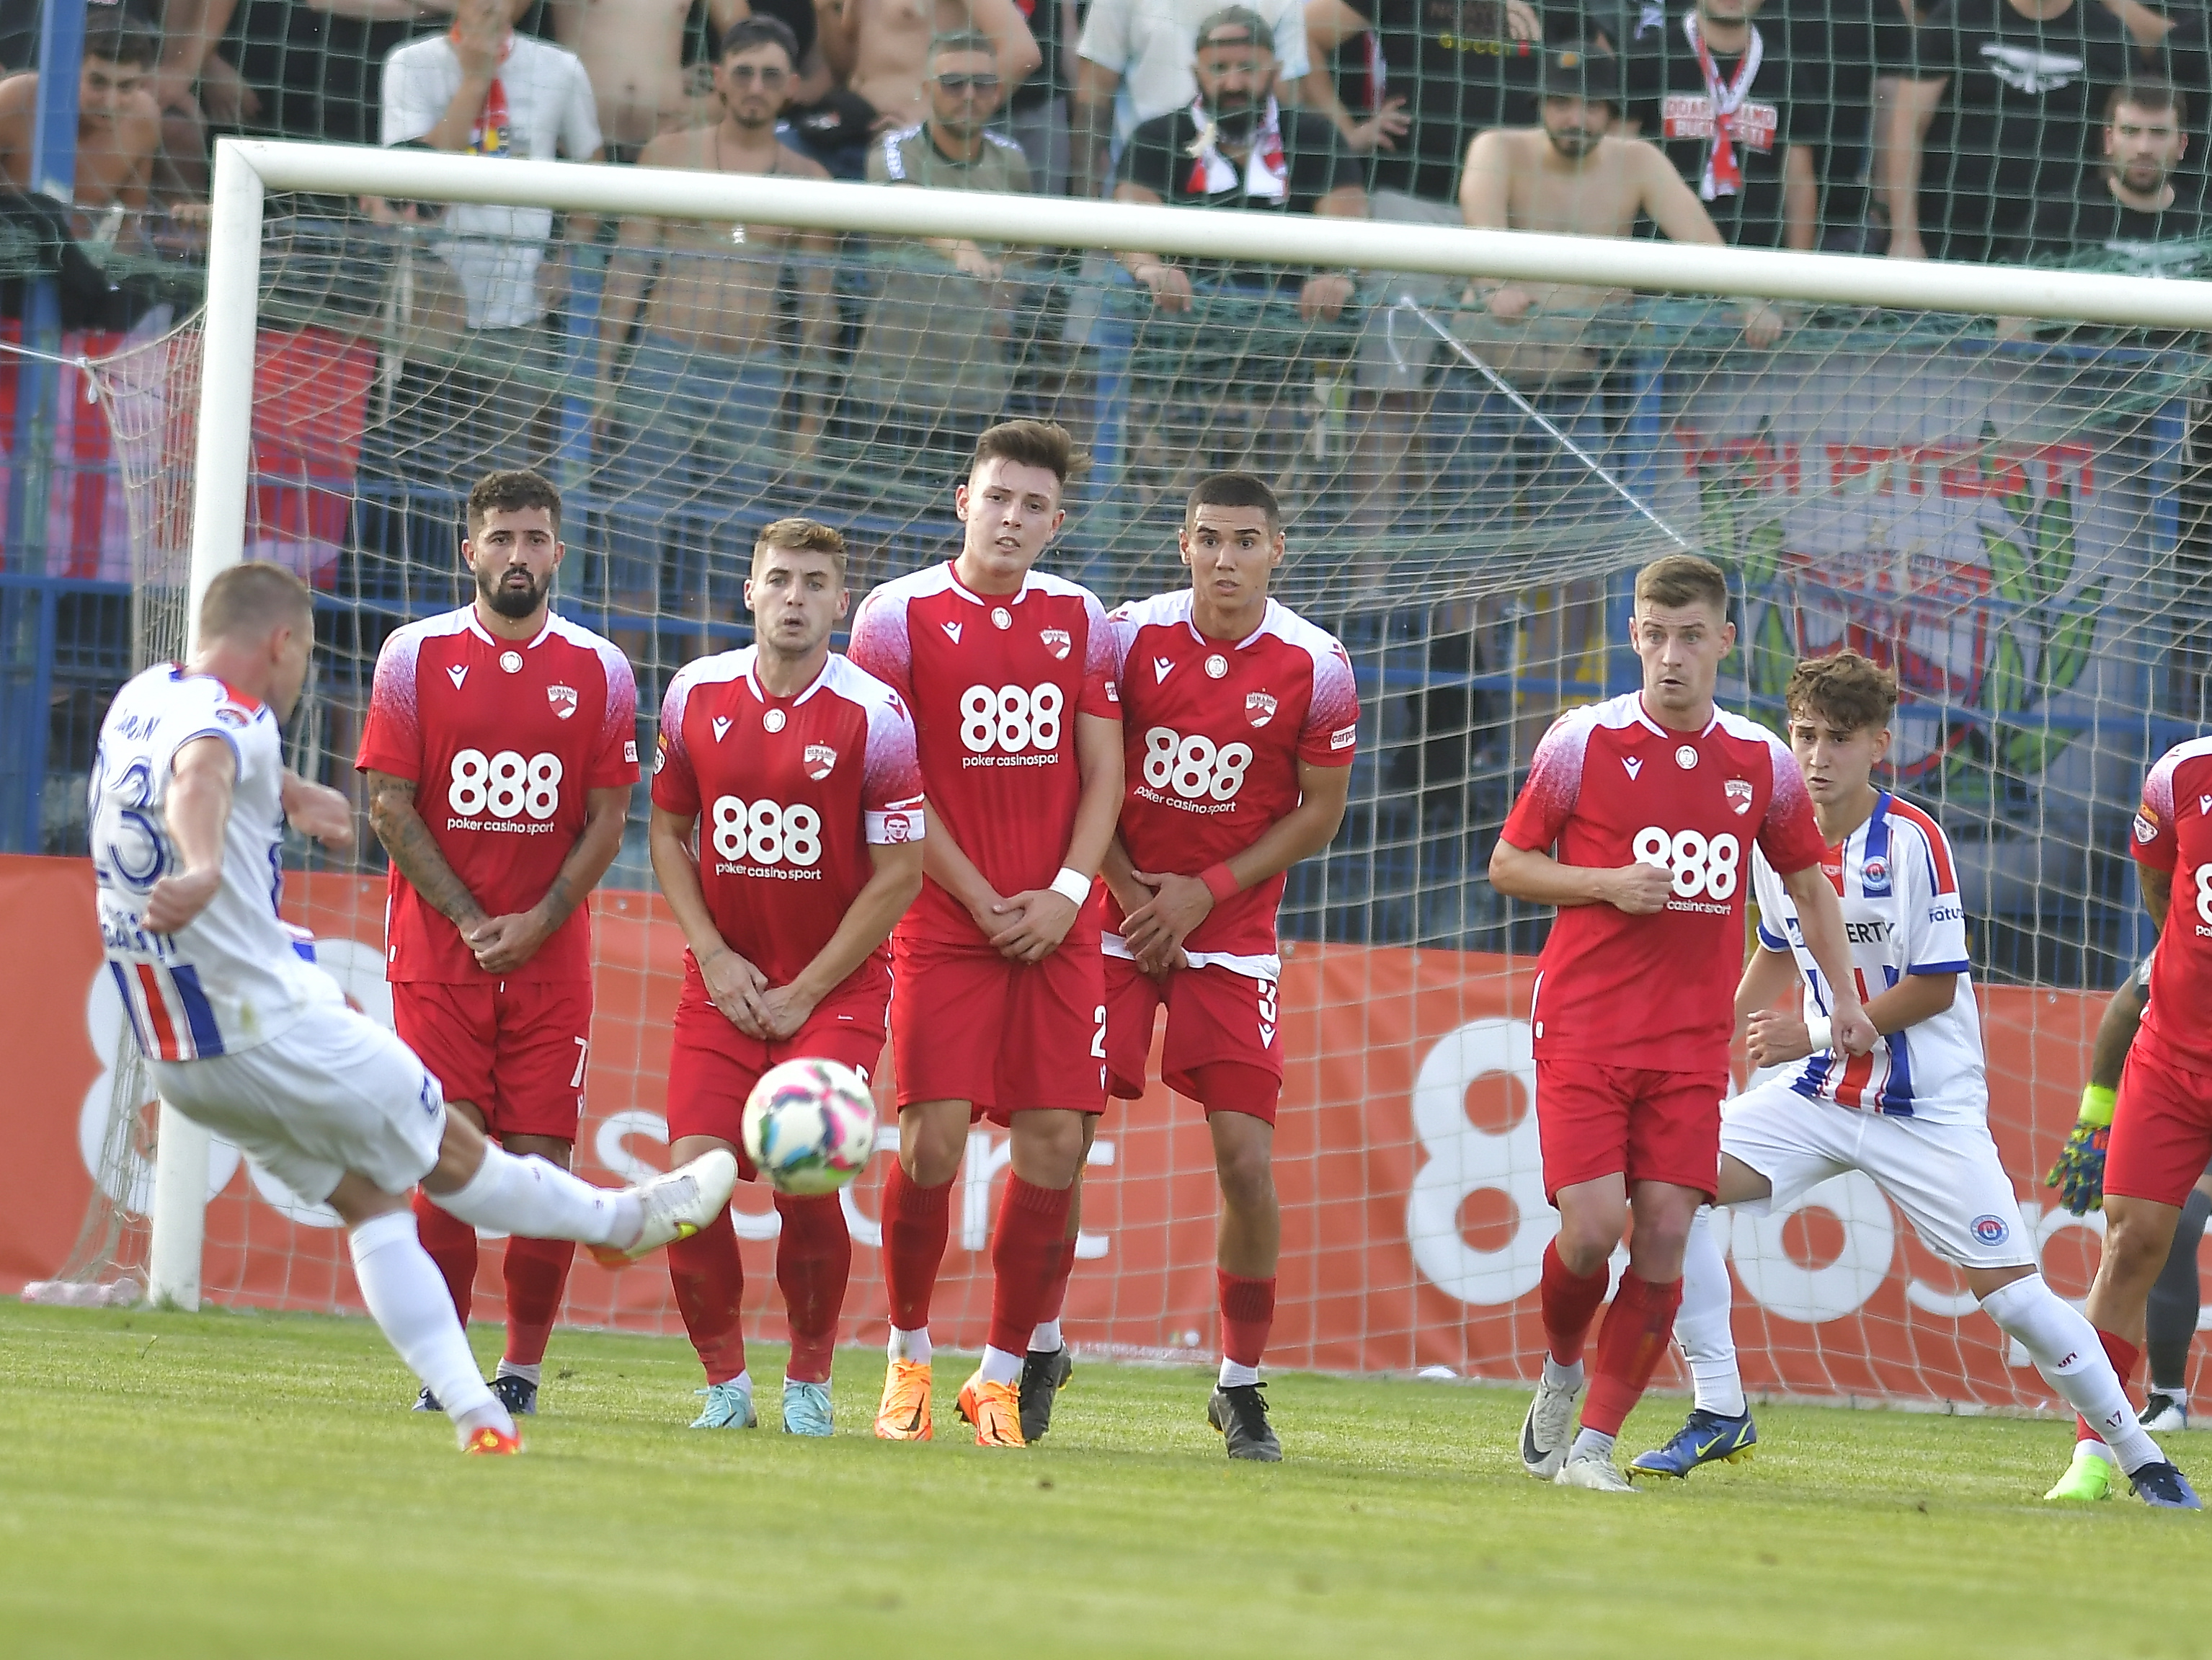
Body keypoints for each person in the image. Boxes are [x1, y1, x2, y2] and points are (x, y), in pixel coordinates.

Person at [91, 562, 735, 1455]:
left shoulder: (143, 699)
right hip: (271, 1027)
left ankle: (475, 1409)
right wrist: (202, 866)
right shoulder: (224, 725)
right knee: (460, 1162)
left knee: (372, 1203)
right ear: (280, 644)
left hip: (184, 1058)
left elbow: (196, 759)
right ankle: (624, 1222)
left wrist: (288, 793)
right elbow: (199, 776)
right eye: (305, 655)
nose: (302, 674)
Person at [1627, 652, 2198, 1506]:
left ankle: (2142, 1453)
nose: (1818, 756)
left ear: (1879, 747)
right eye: (1805, 735)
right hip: (1818, 1094)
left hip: (1927, 1107)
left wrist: (1809, 1030)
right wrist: (1710, 1031)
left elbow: (1933, 985)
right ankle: (1720, 1406)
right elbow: (1779, 949)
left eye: (1840, 739)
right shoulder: (1773, 837)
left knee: (2015, 1301)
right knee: (1665, 1186)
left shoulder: (1912, 839)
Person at [1487, 553, 1875, 1493]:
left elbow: (1808, 883)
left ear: (1723, 642)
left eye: (1691, 636)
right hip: (1583, 1026)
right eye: (1655, 636)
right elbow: (1508, 862)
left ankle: (1592, 1445)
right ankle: (1561, 1366)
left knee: (1663, 1233)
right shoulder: (1579, 743)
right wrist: (1604, 883)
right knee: (1589, 1230)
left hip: (1691, 1043)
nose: (1672, 656)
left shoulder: (1763, 763)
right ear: (1633, 636)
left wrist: (1845, 995)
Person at [845, 419, 1124, 1450]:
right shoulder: (894, 615)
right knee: (931, 1140)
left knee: (1054, 1144)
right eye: (996, 496)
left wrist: (1061, 890)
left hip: (1059, 922)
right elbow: (893, 780)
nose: (1012, 517)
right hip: (942, 917)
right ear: (962, 500)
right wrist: (976, 895)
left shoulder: (1081, 618)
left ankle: (999, 1374)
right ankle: (908, 1355)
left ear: (1058, 520)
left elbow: (1106, 771)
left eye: (1033, 504)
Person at [355, 469, 641, 1419]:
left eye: (535, 538)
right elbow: (388, 806)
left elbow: (608, 818)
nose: (518, 554)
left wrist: (540, 918)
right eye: (501, 538)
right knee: (449, 1159)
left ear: (559, 551)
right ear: (468, 550)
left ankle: (519, 1366)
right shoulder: (412, 655)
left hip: (552, 961)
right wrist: (476, 920)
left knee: (542, 1164)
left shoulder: (601, 667)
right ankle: (448, 1368)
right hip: (437, 958)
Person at [1096, 471, 1359, 1460]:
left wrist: (1205, 887)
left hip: (1229, 931)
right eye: (1209, 538)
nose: (1226, 558)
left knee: (1247, 1161)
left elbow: (1320, 811)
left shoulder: (1317, 662)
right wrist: (1130, 890)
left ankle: (1238, 1383)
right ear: (1182, 543)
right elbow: (1088, 774)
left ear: (1277, 551)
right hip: (1114, 914)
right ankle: (1033, 1347)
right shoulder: (1124, 634)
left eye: (1246, 541)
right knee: (1058, 1128)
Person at [647, 518, 925, 1437]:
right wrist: (716, 954)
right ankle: (726, 1383)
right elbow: (666, 832)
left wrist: (807, 988)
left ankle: (810, 1378)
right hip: (721, 987)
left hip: (833, 992)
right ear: (750, 591)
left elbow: (900, 872)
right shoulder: (693, 693)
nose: (795, 597)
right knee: (689, 1189)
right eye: (780, 580)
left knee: (807, 1180)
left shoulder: (877, 717)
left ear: (841, 602)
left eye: (815, 583)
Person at [595, 16, 835, 653]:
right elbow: (627, 273)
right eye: (746, 72)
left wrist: (808, 417)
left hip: (754, 376)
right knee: (637, 545)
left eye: (771, 76)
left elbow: (817, 307)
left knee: (729, 556)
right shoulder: (669, 154)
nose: (757, 86)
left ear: (789, 87)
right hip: (662, 363)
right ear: (723, 79)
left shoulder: (810, 183)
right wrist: (599, 383)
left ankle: (704, 732)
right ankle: (625, 719)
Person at [2033, 732, 2212, 1501]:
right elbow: (2156, 883)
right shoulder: (2179, 773)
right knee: (2132, 1242)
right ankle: (2095, 1456)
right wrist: (2094, 1111)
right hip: (2171, 1059)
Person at [379, 0, 604, 478]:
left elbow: (593, 170)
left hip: (520, 313)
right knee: (424, 474)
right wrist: (476, 78)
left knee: (511, 479)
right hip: (432, 307)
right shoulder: (410, 63)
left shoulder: (559, 68)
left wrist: (566, 257)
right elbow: (409, 186)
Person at [1459, 45, 1782, 345]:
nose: (1576, 120)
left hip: (1589, 383)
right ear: (1540, 105)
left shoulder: (1639, 161)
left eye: (1592, 106)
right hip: (1487, 377)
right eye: (1561, 103)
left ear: (1611, 114)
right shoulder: (1497, 150)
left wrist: (1749, 304)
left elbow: (1704, 243)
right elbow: (1482, 235)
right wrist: (1495, 287)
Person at [849, 32, 1037, 481]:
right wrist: (966, 252)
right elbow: (906, 201)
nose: (969, 95)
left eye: (982, 83)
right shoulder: (896, 149)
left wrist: (1006, 299)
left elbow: (1027, 246)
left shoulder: (1011, 160)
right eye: (953, 83)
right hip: (891, 388)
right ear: (927, 88)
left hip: (978, 393)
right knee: (874, 534)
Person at [1112, 7, 1367, 323]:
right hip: (1180, 324)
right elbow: (1128, 232)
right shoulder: (1155, 137)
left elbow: (1351, 233)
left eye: (1248, 68)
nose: (1233, 83)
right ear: (1196, 73)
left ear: (1275, 71)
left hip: (1295, 329)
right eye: (1219, 68)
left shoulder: (1316, 137)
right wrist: (1149, 267)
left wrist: (1338, 276)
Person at [2048, 952, 2212, 1437]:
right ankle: (2166, 1399)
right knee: (2174, 1227)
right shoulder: (2189, 944)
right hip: (2189, 1093)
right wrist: (2095, 1115)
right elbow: (2124, 1007)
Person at [1885, 0, 2154, 265]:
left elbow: (2117, 146)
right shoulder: (1958, 15)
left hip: (2059, 247)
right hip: (1948, 238)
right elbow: (1907, 126)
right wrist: (1904, 236)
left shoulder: (2108, 34)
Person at [1073, 0, 1322, 197]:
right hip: (1148, 179)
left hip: (1260, 191)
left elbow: (1287, 96)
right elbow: (1094, 89)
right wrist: (1084, 194)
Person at [1622, 0, 1817, 251]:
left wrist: (1797, 278)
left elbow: (1799, 183)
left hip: (1755, 268)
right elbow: (1617, 165)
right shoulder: (1646, 57)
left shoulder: (1789, 73)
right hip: (1656, 264)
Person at [2008, 77, 2203, 270]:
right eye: (2130, 131)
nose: (2144, 148)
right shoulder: (2057, 220)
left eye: (2159, 133)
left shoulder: (2205, 224)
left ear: (2181, 145)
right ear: (2108, 140)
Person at [0, 6, 169, 226]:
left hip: (80, 254)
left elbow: (132, 224)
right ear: (69, 71)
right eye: (98, 82)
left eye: (126, 86)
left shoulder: (145, 120)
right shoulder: (15, 100)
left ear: (142, 82)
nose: (110, 102)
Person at [819, 0, 1040, 153]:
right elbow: (849, 68)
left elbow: (1021, 53)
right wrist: (824, 10)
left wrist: (934, 122)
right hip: (852, 130)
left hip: (916, 147)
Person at [549, 0, 743, 156]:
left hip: (668, 142)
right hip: (576, 142)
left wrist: (705, 109)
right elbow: (518, 33)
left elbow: (751, 42)